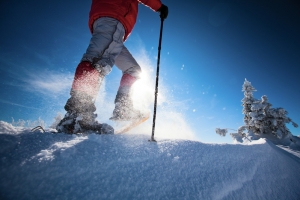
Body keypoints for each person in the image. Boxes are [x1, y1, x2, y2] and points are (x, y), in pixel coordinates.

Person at [56, 0, 168, 134]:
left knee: (133, 70)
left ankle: (123, 108)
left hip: (112, 23)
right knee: (96, 62)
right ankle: (78, 115)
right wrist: (160, 7)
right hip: (114, 16)